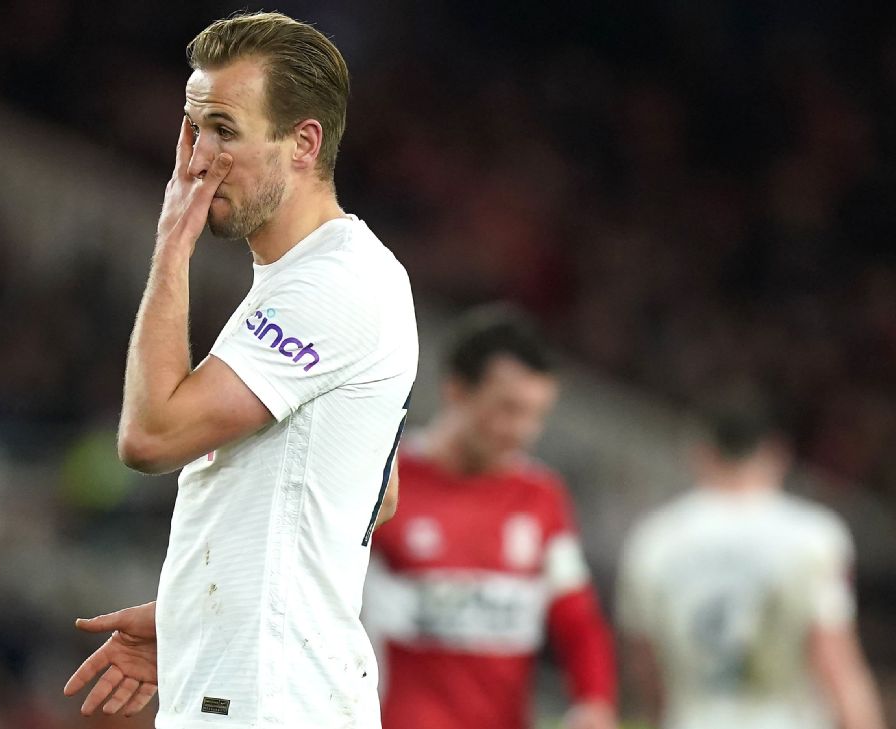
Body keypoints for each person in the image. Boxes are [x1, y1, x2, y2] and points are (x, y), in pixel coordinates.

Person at [62, 11, 418, 729]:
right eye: (192, 130)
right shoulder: (310, 279)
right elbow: (369, 495)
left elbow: (150, 435)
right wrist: (204, 609)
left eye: (224, 129)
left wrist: (170, 246)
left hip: (275, 703)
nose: (195, 159)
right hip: (265, 689)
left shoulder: (334, 284)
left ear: (302, 143)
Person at [363, 305, 617, 729]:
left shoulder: (540, 497)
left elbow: (577, 619)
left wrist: (594, 702)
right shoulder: (386, 483)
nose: (523, 431)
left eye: (537, 414)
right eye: (509, 409)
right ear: (457, 391)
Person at [616, 393, 888, 729]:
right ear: (777, 453)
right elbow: (834, 661)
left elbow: (645, 667)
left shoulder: (653, 539)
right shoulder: (812, 536)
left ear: (700, 452)